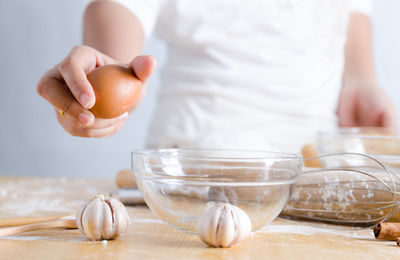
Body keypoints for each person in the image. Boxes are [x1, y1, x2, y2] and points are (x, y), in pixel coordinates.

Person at [36, 0, 397, 153]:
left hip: (313, 173)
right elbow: (121, 7)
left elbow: (351, 11)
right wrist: (107, 71)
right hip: (194, 175)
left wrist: (362, 81)